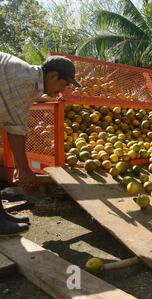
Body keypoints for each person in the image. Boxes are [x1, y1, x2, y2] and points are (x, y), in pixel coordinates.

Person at [0, 52, 80, 236]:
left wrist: (22, 168)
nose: (64, 90)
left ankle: (1, 216)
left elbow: (13, 125)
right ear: (52, 76)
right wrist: (25, 169)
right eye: (65, 83)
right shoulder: (25, 80)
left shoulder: (29, 79)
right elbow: (15, 129)